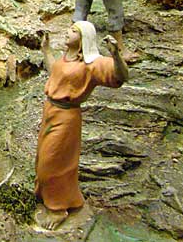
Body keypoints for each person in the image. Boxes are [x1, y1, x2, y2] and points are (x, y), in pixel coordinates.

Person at [35, 21, 128, 230]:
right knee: (44, 159)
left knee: (52, 163)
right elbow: (55, 72)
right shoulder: (66, 57)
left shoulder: (92, 63)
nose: (67, 33)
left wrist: (116, 56)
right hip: (50, 112)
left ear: (84, 38)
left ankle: (58, 209)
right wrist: (46, 50)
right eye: (69, 29)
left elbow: (121, 77)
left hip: (66, 117)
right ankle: (48, 196)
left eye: (73, 31)